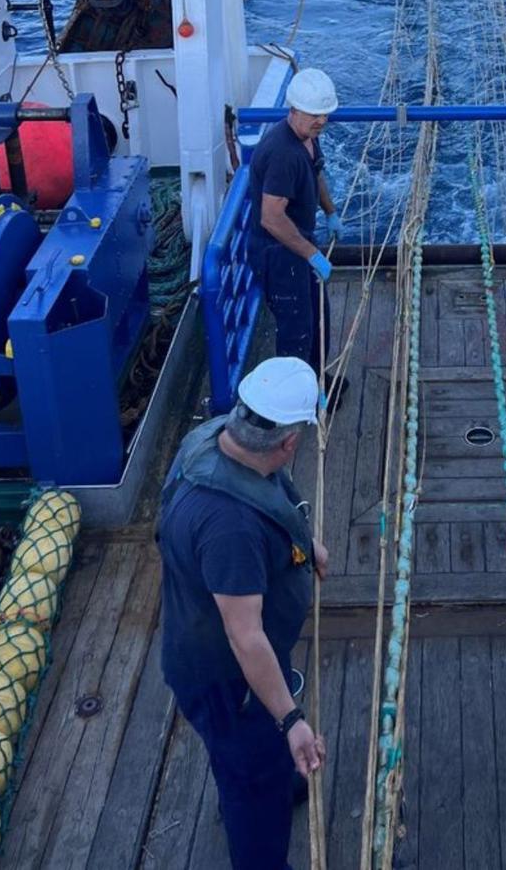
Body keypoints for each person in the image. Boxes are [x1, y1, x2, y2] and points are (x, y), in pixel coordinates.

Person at [157, 356, 329, 869]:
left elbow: (273, 493)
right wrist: (292, 718)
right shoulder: (229, 529)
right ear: (289, 442)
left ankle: (274, 771)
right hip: (229, 683)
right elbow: (246, 637)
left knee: (254, 762)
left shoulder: (218, 437)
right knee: (252, 791)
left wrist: (305, 542)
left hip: (212, 649)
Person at [248, 67, 347, 405]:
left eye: (325, 114)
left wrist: (330, 211)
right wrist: (311, 255)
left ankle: (317, 378)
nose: (320, 120)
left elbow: (316, 174)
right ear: (293, 109)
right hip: (277, 253)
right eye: (313, 114)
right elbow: (271, 218)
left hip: (299, 242)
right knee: (295, 329)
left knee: (318, 315)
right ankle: (295, 399)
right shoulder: (282, 153)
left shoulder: (307, 137)